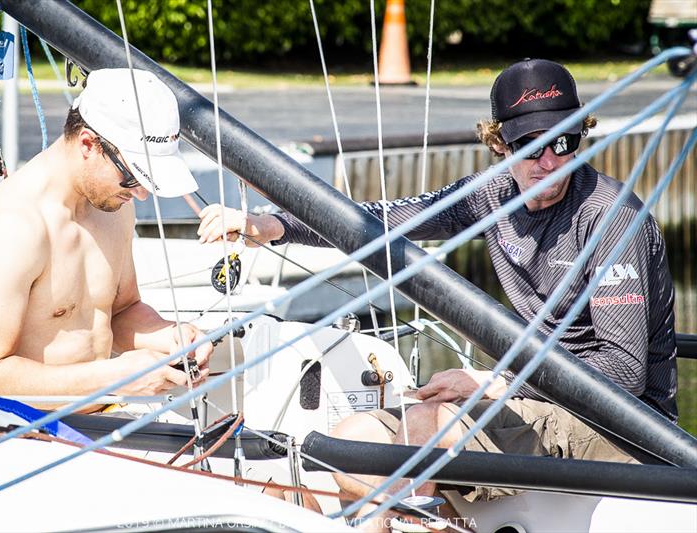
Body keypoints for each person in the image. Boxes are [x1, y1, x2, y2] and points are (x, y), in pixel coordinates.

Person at [197, 59, 677, 521]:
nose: (549, 161)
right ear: (500, 145)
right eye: (532, 145)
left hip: (623, 430)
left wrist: (493, 382)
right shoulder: (492, 194)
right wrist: (270, 225)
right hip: (534, 401)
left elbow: (622, 375)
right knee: (352, 437)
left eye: (564, 142)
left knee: (427, 425)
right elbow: (382, 222)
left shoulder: (613, 219)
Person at [0, 68, 213, 410]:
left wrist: (171, 336)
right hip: (27, 438)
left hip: (102, 416)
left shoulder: (113, 206)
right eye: (133, 176)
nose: (142, 194)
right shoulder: (12, 227)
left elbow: (120, 310)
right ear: (89, 144)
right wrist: (115, 377)